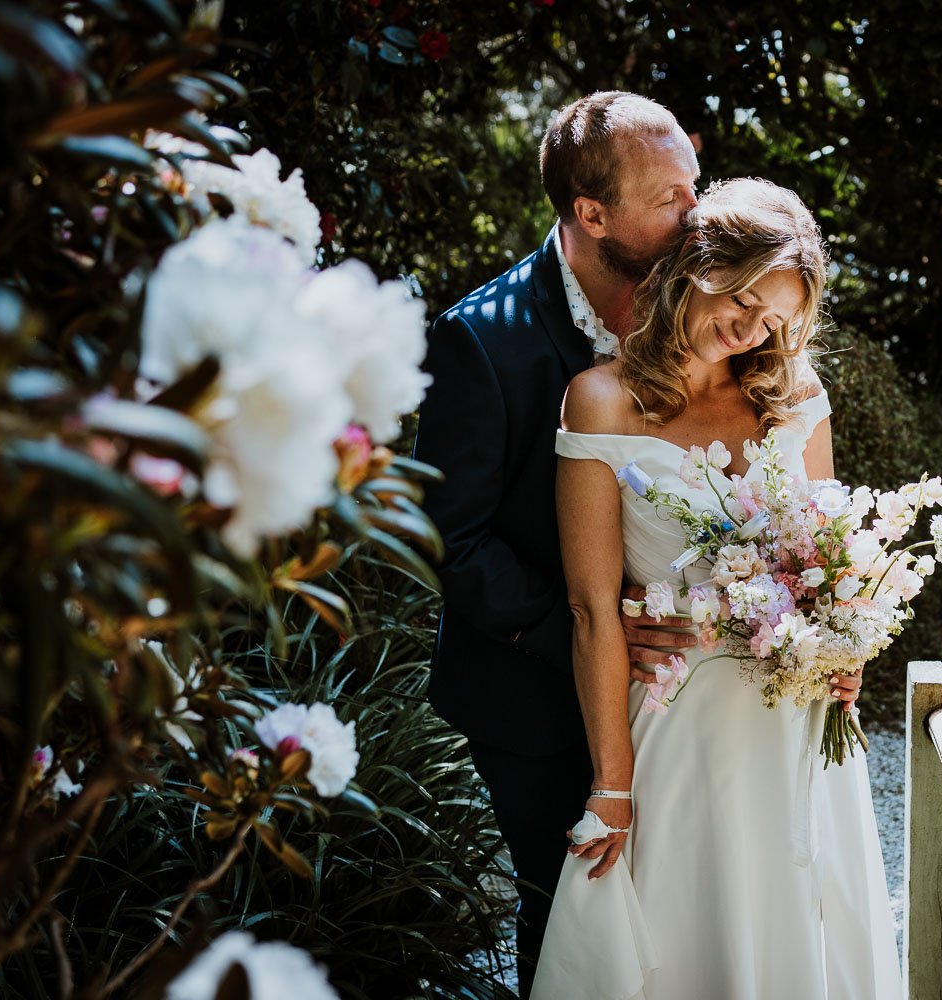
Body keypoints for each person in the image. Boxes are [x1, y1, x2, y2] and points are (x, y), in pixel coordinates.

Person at [532, 178, 902, 999]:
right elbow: (594, 608)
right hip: (678, 726)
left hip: (799, 724)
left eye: (774, 319)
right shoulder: (601, 400)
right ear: (697, 265)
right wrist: (613, 783)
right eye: (743, 300)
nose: (752, 329)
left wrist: (848, 647)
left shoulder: (795, 397)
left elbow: (829, 562)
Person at [411, 92, 700, 996]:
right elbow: (448, 540)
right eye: (670, 198)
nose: (697, 213)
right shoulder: (478, 341)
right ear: (591, 214)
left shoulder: (703, 305)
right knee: (573, 910)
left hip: (680, 692)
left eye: (698, 184)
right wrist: (595, 633)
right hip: (531, 694)